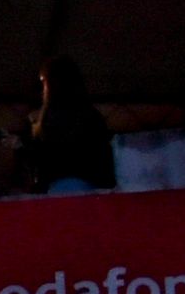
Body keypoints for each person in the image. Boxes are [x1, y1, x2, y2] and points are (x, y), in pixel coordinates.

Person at [13, 54, 115, 194]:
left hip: (61, 188)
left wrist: (21, 147)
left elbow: (43, 158)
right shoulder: (92, 115)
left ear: (51, 84)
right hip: (90, 189)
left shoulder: (49, 118)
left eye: (44, 82)